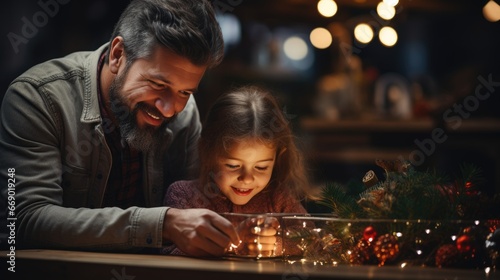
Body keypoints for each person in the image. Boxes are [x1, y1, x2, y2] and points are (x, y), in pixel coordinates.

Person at [0, 0, 239, 257]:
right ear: (117, 55)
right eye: (158, 84)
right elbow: (23, 220)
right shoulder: (36, 99)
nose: (170, 109)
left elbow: (198, 206)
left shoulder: (185, 112)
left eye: (185, 91)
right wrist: (163, 224)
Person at [162, 86, 317, 256]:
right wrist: (234, 244)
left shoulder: (279, 199)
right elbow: (170, 253)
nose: (247, 178)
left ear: (278, 158)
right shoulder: (185, 197)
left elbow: (310, 239)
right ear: (207, 151)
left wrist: (275, 245)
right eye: (233, 166)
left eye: (261, 167)